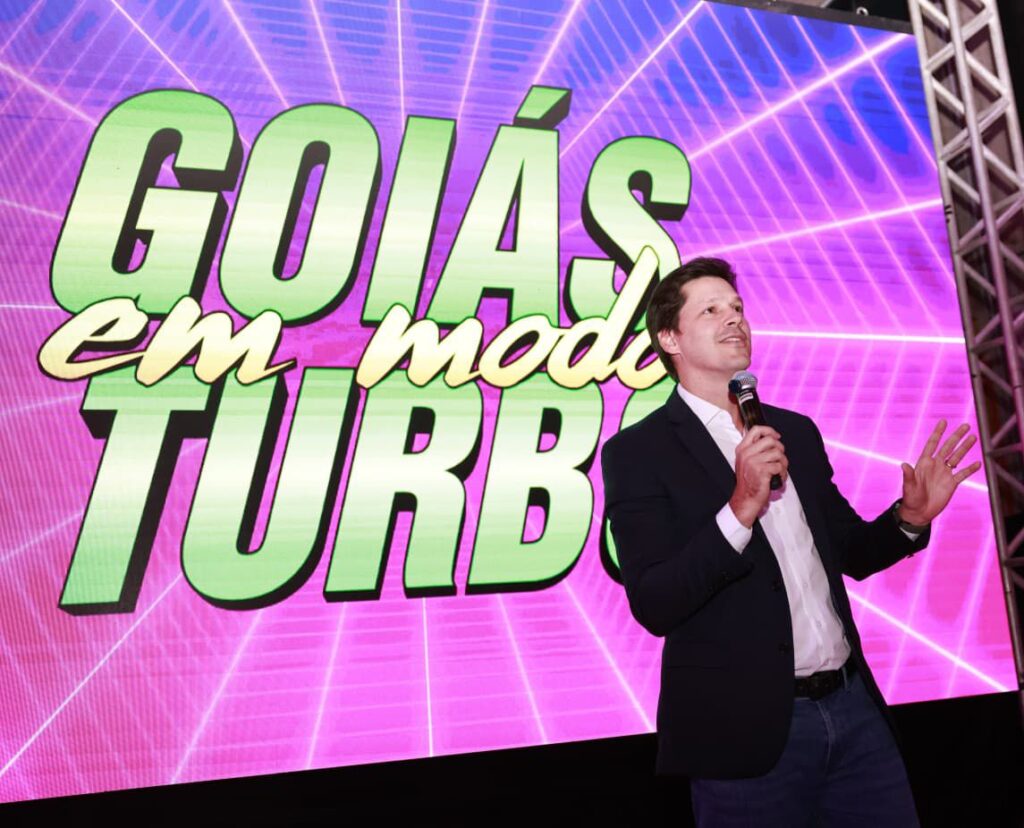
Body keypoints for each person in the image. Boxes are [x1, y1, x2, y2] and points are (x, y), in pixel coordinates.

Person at [601, 257, 981, 827]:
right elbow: (655, 602)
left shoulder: (794, 431)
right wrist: (741, 508)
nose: (734, 319)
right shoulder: (639, 451)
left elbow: (850, 550)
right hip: (744, 734)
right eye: (711, 310)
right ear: (669, 339)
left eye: (737, 307)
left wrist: (909, 517)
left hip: (852, 712)